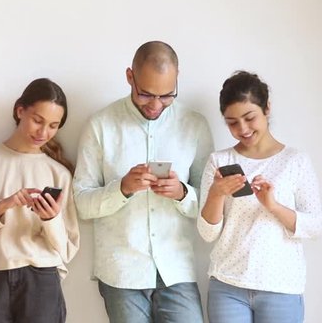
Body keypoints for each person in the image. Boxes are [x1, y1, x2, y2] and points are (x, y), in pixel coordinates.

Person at [73, 41, 213, 323]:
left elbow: (212, 206)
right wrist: (122, 189)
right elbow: (81, 204)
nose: (155, 104)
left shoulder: (194, 125)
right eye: (146, 94)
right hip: (121, 270)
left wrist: (182, 193)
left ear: (177, 79)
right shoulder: (100, 125)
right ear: (129, 77)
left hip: (176, 269)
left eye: (166, 95)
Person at [0, 78, 80, 323]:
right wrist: (2, 206)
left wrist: (50, 219)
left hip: (43, 278)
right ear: (20, 111)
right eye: (37, 120)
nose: (43, 132)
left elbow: (68, 248)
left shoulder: (58, 173)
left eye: (53, 125)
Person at [198, 71, 322, 323]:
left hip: (281, 288)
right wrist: (216, 193)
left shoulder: (295, 161)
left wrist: (273, 206)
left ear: (267, 108)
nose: (242, 129)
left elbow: (315, 225)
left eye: (249, 117)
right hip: (227, 286)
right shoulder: (220, 161)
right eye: (232, 122)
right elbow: (207, 233)